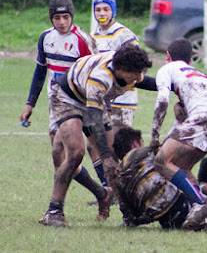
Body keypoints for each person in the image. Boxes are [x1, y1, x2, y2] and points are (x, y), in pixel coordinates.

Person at [38, 45, 155, 227]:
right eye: (135, 72)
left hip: (93, 101)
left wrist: (176, 86)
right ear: (120, 69)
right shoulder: (100, 78)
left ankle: (124, 210)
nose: (138, 76)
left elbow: (146, 81)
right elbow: (93, 120)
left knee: (115, 159)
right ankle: (54, 211)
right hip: (67, 98)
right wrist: (105, 157)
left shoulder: (130, 70)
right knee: (76, 153)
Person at [151, 38, 207, 206]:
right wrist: (167, 140)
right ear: (190, 60)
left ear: (168, 56)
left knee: (161, 161)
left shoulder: (167, 68)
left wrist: (154, 137)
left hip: (202, 117)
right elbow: (182, 125)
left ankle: (201, 205)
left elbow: (163, 101)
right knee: (181, 166)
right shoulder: (199, 73)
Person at [19, 0, 97, 144]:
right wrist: (30, 104)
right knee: (59, 147)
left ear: (72, 16)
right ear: (51, 18)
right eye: (57, 17)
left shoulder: (83, 40)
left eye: (66, 17)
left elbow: (97, 75)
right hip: (57, 101)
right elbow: (40, 72)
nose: (62, 22)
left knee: (94, 147)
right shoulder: (46, 38)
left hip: (82, 101)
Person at [87, 0, 141, 188]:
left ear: (113, 11)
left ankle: (130, 190)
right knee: (93, 144)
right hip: (101, 101)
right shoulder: (92, 37)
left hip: (122, 101)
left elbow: (137, 64)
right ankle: (109, 188)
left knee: (119, 147)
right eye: (98, 9)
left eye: (106, 9)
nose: (102, 13)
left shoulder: (124, 35)